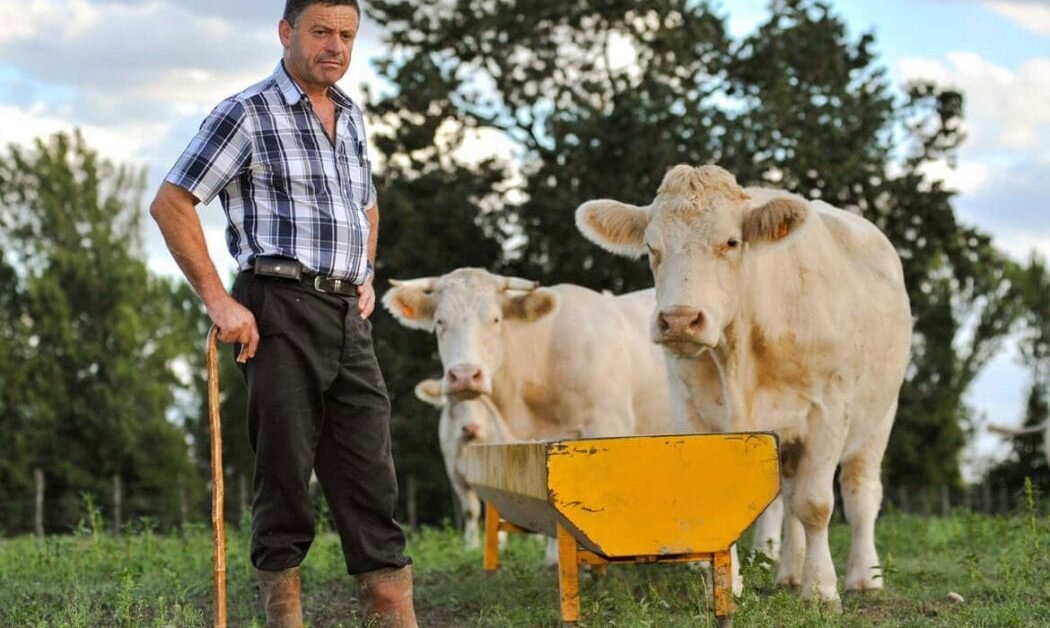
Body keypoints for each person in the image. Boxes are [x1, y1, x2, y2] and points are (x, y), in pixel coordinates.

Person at [149, 1, 417, 626]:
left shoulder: (351, 117)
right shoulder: (246, 112)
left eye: (346, 35)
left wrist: (365, 271)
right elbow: (171, 203)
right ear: (286, 33)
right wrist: (220, 300)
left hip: (348, 316)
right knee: (286, 472)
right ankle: (283, 615)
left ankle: (391, 609)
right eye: (321, 32)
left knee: (371, 472)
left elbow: (367, 205)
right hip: (278, 307)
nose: (335, 46)